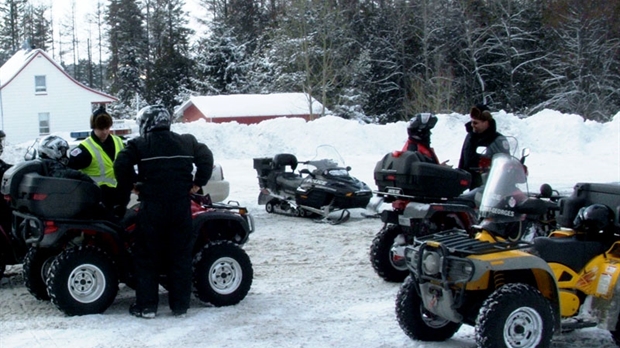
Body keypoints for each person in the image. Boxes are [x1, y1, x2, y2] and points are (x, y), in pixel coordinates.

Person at [114, 105, 213, 319]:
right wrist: (197, 184)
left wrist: (132, 185)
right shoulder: (187, 141)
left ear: (146, 123)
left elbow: (121, 163)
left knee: (147, 257)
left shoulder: (139, 144)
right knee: (180, 257)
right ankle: (180, 307)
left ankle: (147, 307)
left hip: (153, 208)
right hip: (180, 207)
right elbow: (206, 156)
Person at [68, 105, 125, 214]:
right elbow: (71, 175)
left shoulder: (119, 141)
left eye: (107, 128)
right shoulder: (84, 149)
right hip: (97, 199)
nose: (105, 132)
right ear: (93, 127)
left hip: (119, 196)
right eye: (101, 128)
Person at [458, 104, 510, 189]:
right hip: (470, 185)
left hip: (489, 187)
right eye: (471, 122)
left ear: (486, 123)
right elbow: (463, 160)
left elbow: (505, 164)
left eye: (475, 123)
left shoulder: (497, 140)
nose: (472, 125)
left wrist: (488, 164)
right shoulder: (470, 137)